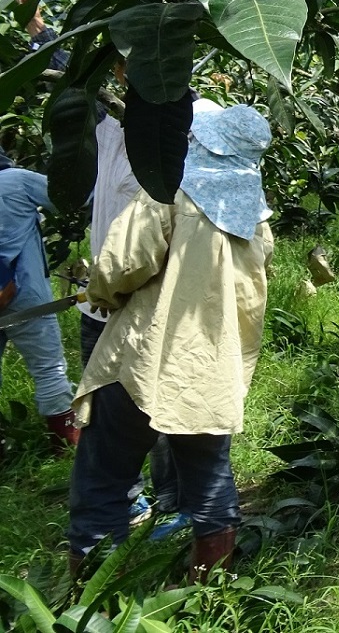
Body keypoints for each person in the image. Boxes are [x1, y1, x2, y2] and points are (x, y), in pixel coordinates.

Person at [67, 105, 274, 581]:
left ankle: (91, 599)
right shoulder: (255, 219)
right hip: (209, 371)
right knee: (209, 479)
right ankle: (208, 592)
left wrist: (100, 293)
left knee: (103, 475)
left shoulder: (168, 193)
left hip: (143, 359)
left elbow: (121, 263)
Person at [0, 149, 80, 454]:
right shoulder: (16, 180)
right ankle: (65, 441)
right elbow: (72, 197)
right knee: (48, 368)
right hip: (27, 297)